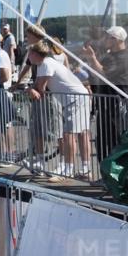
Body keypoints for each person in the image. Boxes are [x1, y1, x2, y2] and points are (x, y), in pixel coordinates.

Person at [29, 39, 92, 179]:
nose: (28, 56)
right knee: (82, 133)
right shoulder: (44, 64)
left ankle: (68, 170)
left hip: (74, 99)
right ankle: (85, 169)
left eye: (29, 53)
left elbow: (40, 88)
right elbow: (39, 86)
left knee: (69, 134)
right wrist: (32, 88)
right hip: (78, 97)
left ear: (35, 53)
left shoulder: (45, 64)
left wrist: (30, 89)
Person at [82, 26, 128, 163]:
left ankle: (117, 177)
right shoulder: (109, 55)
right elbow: (96, 75)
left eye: (107, 37)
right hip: (104, 103)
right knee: (102, 140)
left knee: (116, 141)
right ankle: (105, 175)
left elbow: (105, 74)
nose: (104, 39)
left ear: (115, 40)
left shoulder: (125, 57)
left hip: (117, 104)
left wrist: (92, 58)